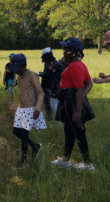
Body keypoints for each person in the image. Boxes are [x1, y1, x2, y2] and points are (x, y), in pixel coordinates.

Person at [50, 37, 95, 171]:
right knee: (69, 130)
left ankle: (88, 164)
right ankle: (66, 159)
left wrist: (77, 110)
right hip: (69, 101)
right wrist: (83, 94)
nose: (63, 52)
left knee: (78, 131)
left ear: (74, 52)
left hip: (71, 103)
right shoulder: (80, 64)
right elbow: (89, 83)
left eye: (66, 50)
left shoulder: (75, 66)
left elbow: (80, 87)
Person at [9, 54, 46, 169]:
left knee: (24, 135)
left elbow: (41, 93)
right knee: (16, 131)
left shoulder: (32, 75)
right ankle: (35, 146)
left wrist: (37, 109)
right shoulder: (20, 76)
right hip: (21, 108)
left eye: (18, 69)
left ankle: (23, 160)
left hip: (30, 109)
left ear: (24, 66)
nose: (16, 72)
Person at [41, 49, 64, 126]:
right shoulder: (53, 66)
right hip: (53, 88)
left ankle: (58, 122)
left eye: (46, 61)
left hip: (57, 89)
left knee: (55, 105)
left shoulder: (58, 65)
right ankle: (55, 121)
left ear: (49, 60)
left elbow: (62, 78)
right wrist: (50, 69)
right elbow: (51, 77)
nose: (46, 63)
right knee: (52, 104)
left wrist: (59, 89)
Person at [39, 47, 52, 122]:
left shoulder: (49, 62)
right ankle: (48, 114)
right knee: (46, 100)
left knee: (47, 100)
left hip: (47, 84)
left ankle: (49, 115)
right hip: (46, 83)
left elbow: (46, 73)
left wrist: (40, 74)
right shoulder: (50, 62)